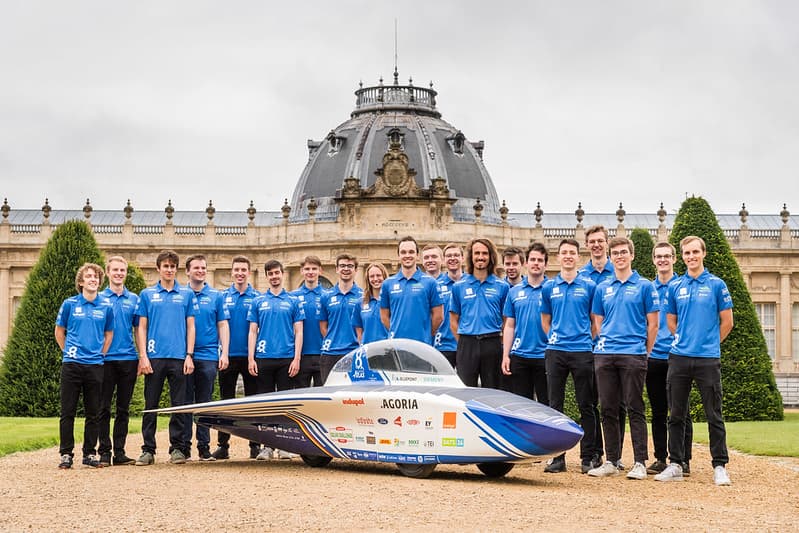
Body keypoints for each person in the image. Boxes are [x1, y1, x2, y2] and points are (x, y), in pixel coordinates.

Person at [655, 236, 734, 485]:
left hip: (707, 360)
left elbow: (727, 321)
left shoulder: (717, 285)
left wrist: (709, 344)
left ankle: (719, 465)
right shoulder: (675, 286)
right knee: (676, 414)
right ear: (682, 256)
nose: (691, 256)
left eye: (695, 252)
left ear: (703, 253)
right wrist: (684, 340)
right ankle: (676, 463)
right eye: (687, 253)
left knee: (714, 414)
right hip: (679, 358)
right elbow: (670, 320)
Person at [587, 237, 659, 480]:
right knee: (607, 408)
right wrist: (605, 340)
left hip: (633, 353)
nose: (619, 256)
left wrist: (643, 350)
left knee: (634, 406)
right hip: (605, 353)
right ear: (611, 256)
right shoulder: (602, 287)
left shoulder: (645, 286)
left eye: (623, 252)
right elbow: (597, 320)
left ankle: (639, 461)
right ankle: (611, 460)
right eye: (615, 253)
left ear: (632, 256)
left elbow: (653, 324)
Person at [540, 239, 601, 474]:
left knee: (586, 404)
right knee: (555, 405)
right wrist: (556, 337)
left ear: (578, 257)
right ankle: (557, 457)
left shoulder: (588, 286)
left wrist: (585, 337)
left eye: (572, 253)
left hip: (582, 351)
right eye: (564, 252)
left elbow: (595, 322)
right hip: (556, 351)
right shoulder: (549, 287)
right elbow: (546, 320)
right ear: (558, 257)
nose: (567, 256)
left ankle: (588, 457)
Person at [134, 250, 197, 466]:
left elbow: (191, 326)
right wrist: (143, 355)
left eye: (172, 266)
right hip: (155, 357)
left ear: (176, 269)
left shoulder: (186, 295)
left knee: (178, 404)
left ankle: (177, 448)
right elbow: (141, 327)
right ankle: (148, 449)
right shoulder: (147, 294)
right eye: (165, 266)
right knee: (151, 404)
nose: (169, 270)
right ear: (158, 268)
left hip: (179, 356)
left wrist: (189, 354)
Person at [55, 263, 114, 469]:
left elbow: (109, 334)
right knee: (67, 411)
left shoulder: (106, 306)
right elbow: (59, 331)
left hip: (95, 365)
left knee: (93, 412)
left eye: (96, 276)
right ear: (81, 282)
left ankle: (89, 453)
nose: (93, 279)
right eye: (88, 276)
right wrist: (68, 351)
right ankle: (66, 453)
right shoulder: (70, 304)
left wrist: (101, 353)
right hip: (71, 365)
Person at [248, 260, 304, 460]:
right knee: (266, 405)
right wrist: (250, 358)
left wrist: (297, 358)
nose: (274, 276)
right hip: (263, 358)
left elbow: (299, 331)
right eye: (270, 273)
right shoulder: (258, 301)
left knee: (285, 405)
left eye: (276, 273)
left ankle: (285, 446)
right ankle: (267, 446)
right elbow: (253, 331)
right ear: (266, 276)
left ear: (282, 274)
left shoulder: (293, 301)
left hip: (286, 358)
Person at [646, 241, 693, 476]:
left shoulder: (684, 286)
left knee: (680, 410)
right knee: (657, 410)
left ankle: (683, 459)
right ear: (653, 260)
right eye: (658, 256)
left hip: (677, 355)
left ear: (675, 259)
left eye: (667, 256)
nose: (663, 260)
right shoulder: (648, 288)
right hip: (654, 357)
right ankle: (660, 458)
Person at [578, 224, 619, 467]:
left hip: (614, 347)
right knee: (591, 403)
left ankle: (617, 456)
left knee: (616, 404)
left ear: (607, 243)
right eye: (592, 241)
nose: (596, 245)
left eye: (600, 241)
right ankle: (594, 453)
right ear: (587, 245)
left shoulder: (619, 271)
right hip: (589, 348)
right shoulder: (582, 275)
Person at [213, 255, 261, 460]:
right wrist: (220, 351)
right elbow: (218, 326)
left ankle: (255, 445)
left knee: (253, 402)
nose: (240, 273)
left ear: (248, 272)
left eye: (244, 269)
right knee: (226, 402)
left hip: (251, 357)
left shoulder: (258, 297)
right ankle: (223, 446)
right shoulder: (223, 297)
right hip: (228, 356)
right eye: (237, 270)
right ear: (231, 272)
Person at [182, 254, 230, 461]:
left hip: (209, 354)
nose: (200, 271)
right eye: (196, 268)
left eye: (203, 267)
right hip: (183, 356)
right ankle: (182, 448)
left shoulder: (216, 296)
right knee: (184, 402)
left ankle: (204, 448)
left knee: (205, 403)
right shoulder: (181, 294)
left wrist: (224, 352)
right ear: (187, 271)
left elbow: (223, 325)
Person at [97, 256, 139, 467]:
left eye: (122, 270)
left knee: (123, 409)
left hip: (129, 359)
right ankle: (104, 451)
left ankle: (119, 452)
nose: (119, 273)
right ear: (107, 272)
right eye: (115, 270)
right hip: (105, 359)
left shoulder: (134, 299)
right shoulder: (98, 298)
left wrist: (141, 357)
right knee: (103, 408)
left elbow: (139, 329)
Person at [450, 238, 509, 389]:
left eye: (485, 253)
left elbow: (506, 320)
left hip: (492, 344)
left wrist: (500, 343)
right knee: (465, 393)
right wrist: (464, 343)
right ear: (471, 257)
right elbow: (453, 320)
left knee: (493, 392)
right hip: (467, 344)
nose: (480, 257)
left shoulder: (502, 286)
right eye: (477, 253)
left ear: (491, 257)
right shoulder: (458, 287)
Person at [501, 242, 549, 402]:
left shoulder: (552, 289)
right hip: (520, 355)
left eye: (540, 260)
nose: (536, 263)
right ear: (526, 263)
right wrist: (506, 355)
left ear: (545, 264)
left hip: (546, 355)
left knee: (547, 404)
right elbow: (509, 325)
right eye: (533, 259)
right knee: (522, 406)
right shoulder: (514, 291)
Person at [380, 236, 443, 344]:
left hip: (422, 344)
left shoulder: (430, 282)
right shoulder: (387, 283)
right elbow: (384, 316)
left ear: (417, 255)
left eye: (411, 252)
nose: (407, 255)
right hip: (396, 343)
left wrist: (426, 334)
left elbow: (439, 316)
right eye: (403, 252)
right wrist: (396, 331)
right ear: (398, 256)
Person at [319, 253, 362, 382]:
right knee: (328, 395)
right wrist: (335, 340)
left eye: (350, 266)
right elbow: (323, 326)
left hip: (354, 352)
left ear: (355, 270)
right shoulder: (326, 296)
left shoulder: (362, 296)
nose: (346, 269)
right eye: (342, 265)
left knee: (352, 395)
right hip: (330, 353)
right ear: (337, 269)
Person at [290, 256, 325, 387]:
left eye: (314, 269)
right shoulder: (292, 297)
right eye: (307, 269)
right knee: (300, 396)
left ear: (320, 271)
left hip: (322, 353)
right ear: (301, 271)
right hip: (300, 355)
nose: (310, 272)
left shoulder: (327, 295)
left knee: (322, 397)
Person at [422, 244, 458, 364]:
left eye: (434, 256)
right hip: (431, 345)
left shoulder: (456, 283)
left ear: (441, 259)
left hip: (459, 344)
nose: (430, 260)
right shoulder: (419, 287)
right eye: (426, 257)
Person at [434, 243, 464, 367]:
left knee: (467, 385)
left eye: (456, 255)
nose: (452, 258)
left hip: (466, 344)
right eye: (449, 256)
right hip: (443, 346)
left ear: (463, 258)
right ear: (443, 260)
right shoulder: (435, 285)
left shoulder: (472, 283)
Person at [353, 262, 389, 344]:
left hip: (388, 350)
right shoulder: (360, 303)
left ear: (384, 277)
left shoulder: (392, 301)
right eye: (372, 276)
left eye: (379, 275)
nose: (375, 279)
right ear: (368, 279)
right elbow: (359, 332)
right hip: (369, 351)